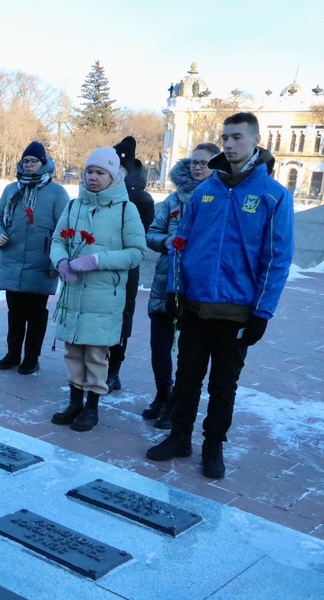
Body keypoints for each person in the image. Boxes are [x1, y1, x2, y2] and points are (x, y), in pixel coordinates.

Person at [147, 112, 294, 479]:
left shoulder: (273, 196)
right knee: (188, 376)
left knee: (223, 384)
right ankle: (180, 436)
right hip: (195, 306)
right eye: (225, 137)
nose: (229, 144)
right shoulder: (205, 192)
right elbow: (182, 244)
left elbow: (276, 259)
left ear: (256, 141)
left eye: (237, 137)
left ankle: (213, 445)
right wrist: (175, 292)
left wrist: (262, 312)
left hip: (237, 311)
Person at [48, 148, 147, 431]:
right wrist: (62, 261)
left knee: (95, 353)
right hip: (73, 291)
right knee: (73, 351)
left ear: (113, 176)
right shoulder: (73, 206)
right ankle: (74, 402)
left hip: (104, 295)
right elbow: (57, 240)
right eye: (89, 172)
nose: (93, 177)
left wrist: (97, 260)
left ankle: (92, 407)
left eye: (100, 173)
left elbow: (136, 253)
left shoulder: (126, 210)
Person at [141, 142, 220, 428]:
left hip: (195, 288)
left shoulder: (219, 198)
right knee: (159, 347)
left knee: (188, 352)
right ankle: (162, 394)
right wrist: (169, 243)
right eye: (194, 162)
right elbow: (151, 234)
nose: (197, 167)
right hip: (165, 283)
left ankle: (176, 403)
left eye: (204, 163)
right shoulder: (173, 201)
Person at [0, 141, 69, 374]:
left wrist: (56, 261)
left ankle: (31, 358)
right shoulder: (11, 190)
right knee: (15, 313)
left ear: (43, 163)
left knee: (36, 314)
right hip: (12, 262)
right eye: (25, 161)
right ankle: (13, 354)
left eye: (33, 161)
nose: (28, 165)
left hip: (41, 264)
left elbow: (63, 230)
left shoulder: (57, 193)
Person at [105, 136, 155, 392]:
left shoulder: (142, 200)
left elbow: (140, 241)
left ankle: (114, 369)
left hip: (125, 271)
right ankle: (95, 366)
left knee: (122, 319)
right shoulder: (98, 195)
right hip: (98, 269)